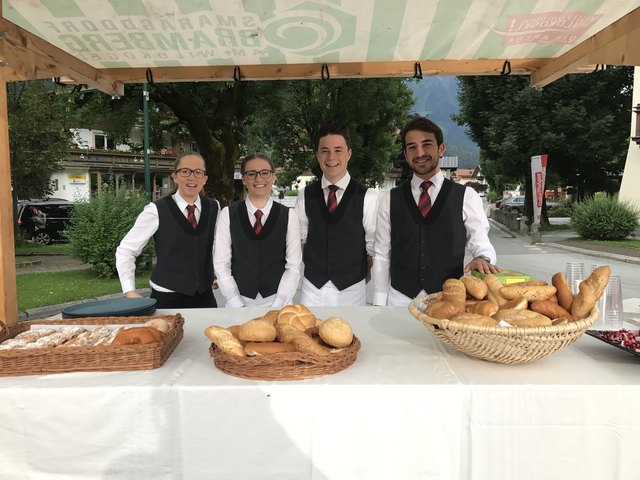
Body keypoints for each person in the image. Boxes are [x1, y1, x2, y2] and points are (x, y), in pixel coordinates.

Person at [372, 116, 498, 307]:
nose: (419, 152)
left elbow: (481, 242)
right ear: (406, 155)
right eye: (412, 147)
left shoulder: (466, 196)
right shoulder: (389, 199)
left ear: (441, 149)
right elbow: (382, 253)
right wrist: (379, 301)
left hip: (449, 300)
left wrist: (483, 258)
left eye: (427, 144)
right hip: (399, 300)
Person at [116, 152, 219, 309]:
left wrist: (217, 274)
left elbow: (215, 246)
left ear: (205, 179)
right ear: (174, 176)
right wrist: (129, 291)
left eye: (198, 172)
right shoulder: (156, 210)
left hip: (205, 297)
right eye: (185, 171)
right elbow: (126, 250)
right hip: (167, 298)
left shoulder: (214, 207)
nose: (192, 177)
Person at [294, 120, 377, 306]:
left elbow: (372, 248)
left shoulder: (368, 196)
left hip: (352, 289)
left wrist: (356, 278)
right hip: (312, 289)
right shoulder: (305, 195)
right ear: (317, 155)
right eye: (325, 150)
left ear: (349, 153)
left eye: (338, 150)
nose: (331, 156)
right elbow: (301, 240)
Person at [214, 153, 302, 308]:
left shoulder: (289, 216)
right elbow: (221, 264)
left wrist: (279, 303)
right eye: (252, 174)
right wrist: (236, 303)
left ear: (273, 176)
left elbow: (293, 266)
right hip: (238, 302)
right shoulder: (227, 215)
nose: (259, 179)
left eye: (265, 173)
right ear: (243, 178)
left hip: (279, 302)